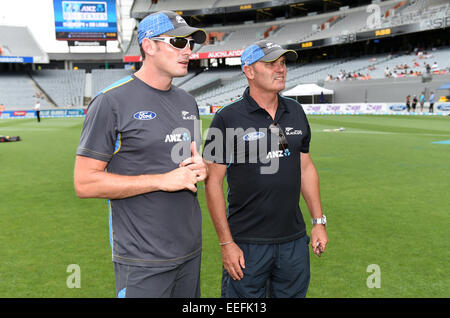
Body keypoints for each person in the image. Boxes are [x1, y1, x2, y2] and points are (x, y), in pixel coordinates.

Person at [73, 10, 207, 298]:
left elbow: (184, 165)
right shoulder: (110, 101)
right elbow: (84, 183)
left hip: (190, 252)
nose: (188, 51)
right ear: (148, 45)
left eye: (190, 44)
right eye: (178, 42)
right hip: (142, 260)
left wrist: (200, 169)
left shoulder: (189, 102)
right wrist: (160, 180)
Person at [203, 40, 328, 298]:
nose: (280, 69)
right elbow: (213, 183)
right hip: (247, 244)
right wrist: (226, 243)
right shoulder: (227, 118)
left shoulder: (295, 111)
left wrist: (318, 222)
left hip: (293, 241)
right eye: (271, 63)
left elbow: (305, 167)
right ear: (249, 71)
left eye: (282, 63)